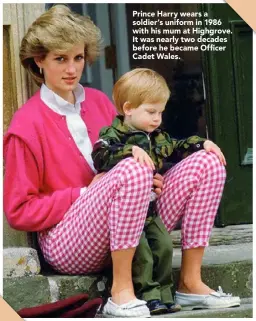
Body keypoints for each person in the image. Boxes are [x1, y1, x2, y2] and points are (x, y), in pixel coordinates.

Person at [3, 4, 240, 319]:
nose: (72, 69)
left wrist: (150, 181)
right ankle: (121, 293)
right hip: (68, 243)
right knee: (130, 168)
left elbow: (136, 161)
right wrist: (84, 193)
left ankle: (190, 281)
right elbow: (19, 211)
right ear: (39, 61)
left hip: (130, 231)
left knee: (206, 162)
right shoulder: (27, 124)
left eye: (78, 58)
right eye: (60, 59)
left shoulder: (100, 102)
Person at [92, 68, 208, 315]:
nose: (157, 119)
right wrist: (128, 152)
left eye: (161, 112)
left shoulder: (156, 137)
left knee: (165, 246)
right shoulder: (112, 136)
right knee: (142, 253)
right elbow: (101, 157)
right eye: (151, 112)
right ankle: (149, 296)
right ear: (128, 108)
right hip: (126, 216)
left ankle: (166, 295)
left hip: (151, 211)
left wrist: (200, 144)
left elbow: (176, 147)